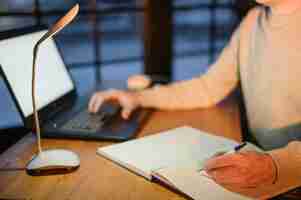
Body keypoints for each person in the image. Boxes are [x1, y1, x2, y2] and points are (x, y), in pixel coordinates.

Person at [88, 0, 301, 198]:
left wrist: (274, 166)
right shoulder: (253, 21)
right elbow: (208, 87)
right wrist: (138, 97)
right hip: (256, 163)